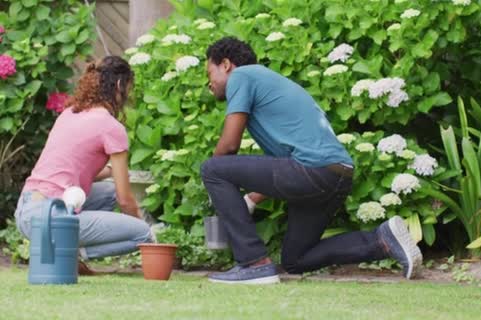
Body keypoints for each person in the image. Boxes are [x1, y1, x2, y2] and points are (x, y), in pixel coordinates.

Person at [201, 37, 422, 284]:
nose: (210, 84)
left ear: (227, 64)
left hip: (314, 171)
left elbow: (229, 146)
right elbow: (285, 161)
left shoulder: (242, 77)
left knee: (212, 167)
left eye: (210, 73)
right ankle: (381, 240)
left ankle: (253, 263)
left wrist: (214, 182)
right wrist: (252, 198)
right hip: (337, 174)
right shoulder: (270, 82)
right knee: (296, 259)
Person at [14, 56, 152, 274]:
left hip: (26, 209)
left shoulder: (69, 114)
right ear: (118, 85)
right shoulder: (111, 127)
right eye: (128, 88)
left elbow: (71, 170)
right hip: (52, 217)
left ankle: (65, 251)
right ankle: (67, 253)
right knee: (143, 234)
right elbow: (126, 200)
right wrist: (145, 229)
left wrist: (112, 173)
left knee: (107, 192)